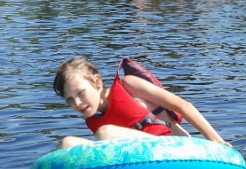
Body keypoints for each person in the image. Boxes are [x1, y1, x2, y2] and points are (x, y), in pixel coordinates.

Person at [53, 57, 229, 150]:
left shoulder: (129, 85)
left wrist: (216, 140)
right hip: (140, 159)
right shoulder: (95, 119)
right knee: (67, 143)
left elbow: (183, 106)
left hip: (176, 147)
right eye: (69, 99)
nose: (77, 102)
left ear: (97, 82)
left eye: (80, 93)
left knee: (105, 133)